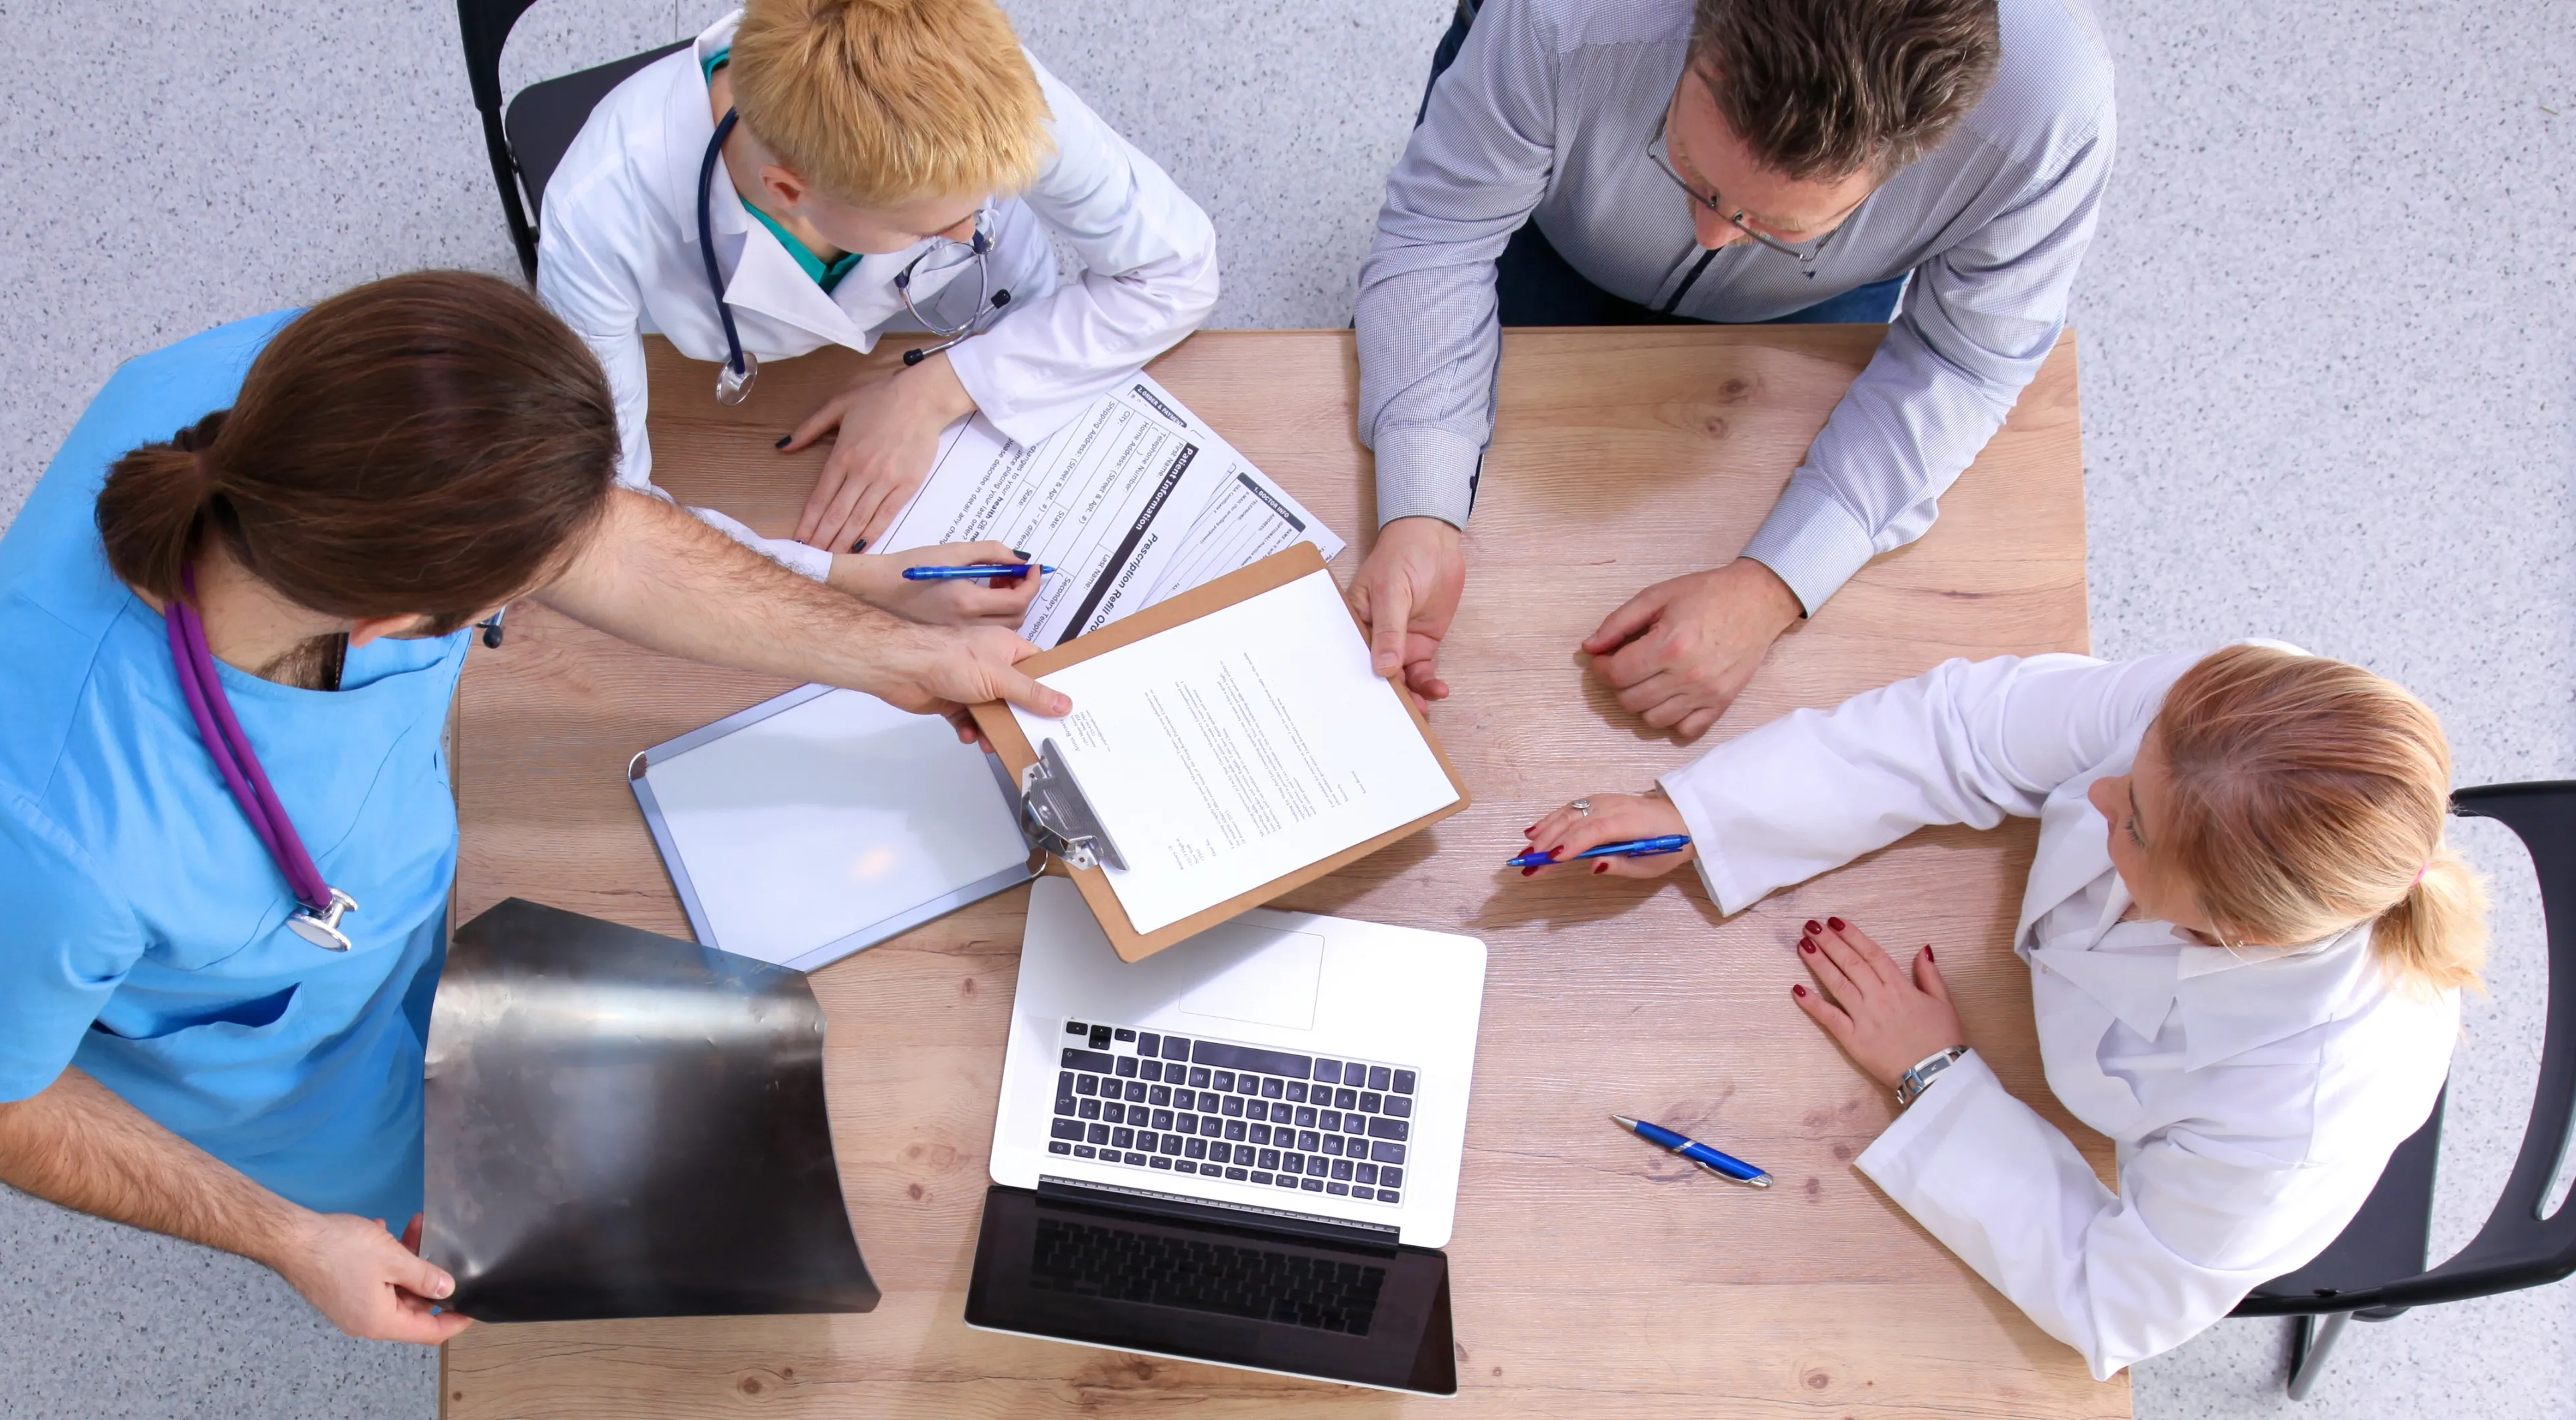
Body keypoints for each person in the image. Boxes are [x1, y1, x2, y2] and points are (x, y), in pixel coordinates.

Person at [0, 271, 1070, 1346]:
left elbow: (602, 545)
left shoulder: (313, 398)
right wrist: (289, 1239)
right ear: (399, 621)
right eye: (522, 588)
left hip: (398, 907)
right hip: (285, 1079)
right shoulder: (48, 842)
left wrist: (887, 655)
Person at [1513, 645, 2486, 1377]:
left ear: (2236, 930)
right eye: (2132, 770)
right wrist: (1711, 815)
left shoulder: (2303, 1105)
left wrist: (1935, 1079)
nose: (2096, 791)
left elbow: (2116, 1300)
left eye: (2131, 825)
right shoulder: (2228, 723)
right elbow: (1968, 729)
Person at [1349, 0, 2111, 736]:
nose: (1712, 234)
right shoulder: (1565, 14)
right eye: (1685, 163)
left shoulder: (2051, 119)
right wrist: (1420, 506)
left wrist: (1777, 585)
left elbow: (1962, 362)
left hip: (1809, 302)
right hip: (1550, 206)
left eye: (1775, 223)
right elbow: (1443, 233)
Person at [536, 0, 1219, 562]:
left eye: (983, 204)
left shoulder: (978, 87)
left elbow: (1178, 269)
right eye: (928, 229)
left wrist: (937, 388)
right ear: (787, 191)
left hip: (981, 351)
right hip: (720, 407)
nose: (971, 235)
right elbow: (602, 501)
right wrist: (839, 586)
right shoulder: (601, 208)